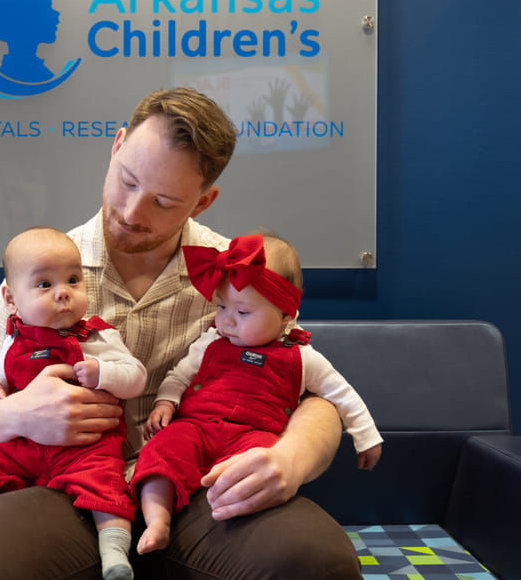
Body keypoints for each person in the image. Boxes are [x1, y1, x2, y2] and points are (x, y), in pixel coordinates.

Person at [0, 87, 364, 580]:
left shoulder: (241, 272)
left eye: (164, 201)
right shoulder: (36, 271)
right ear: (116, 145)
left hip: (199, 487)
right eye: (127, 180)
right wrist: (18, 415)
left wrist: (292, 457)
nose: (132, 210)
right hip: (60, 489)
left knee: (322, 574)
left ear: (203, 200)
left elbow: (315, 397)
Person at [133, 233, 383, 554]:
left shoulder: (303, 357)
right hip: (197, 425)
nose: (227, 321)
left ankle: (221, 515)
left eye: (243, 312)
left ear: (285, 315)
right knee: (161, 450)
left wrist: (367, 438)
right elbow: (179, 375)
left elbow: (342, 395)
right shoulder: (209, 342)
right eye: (222, 306)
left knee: (254, 471)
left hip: (253, 437)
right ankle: (157, 521)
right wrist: (166, 401)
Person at [0, 226, 146, 580]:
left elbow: (136, 376)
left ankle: (114, 548)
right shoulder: (13, 340)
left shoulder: (97, 335)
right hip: (23, 447)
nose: (63, 294)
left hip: (86, 446)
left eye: (72, 280)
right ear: (11, 299)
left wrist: (103, 373)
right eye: (44, 285)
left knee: (105, 481)